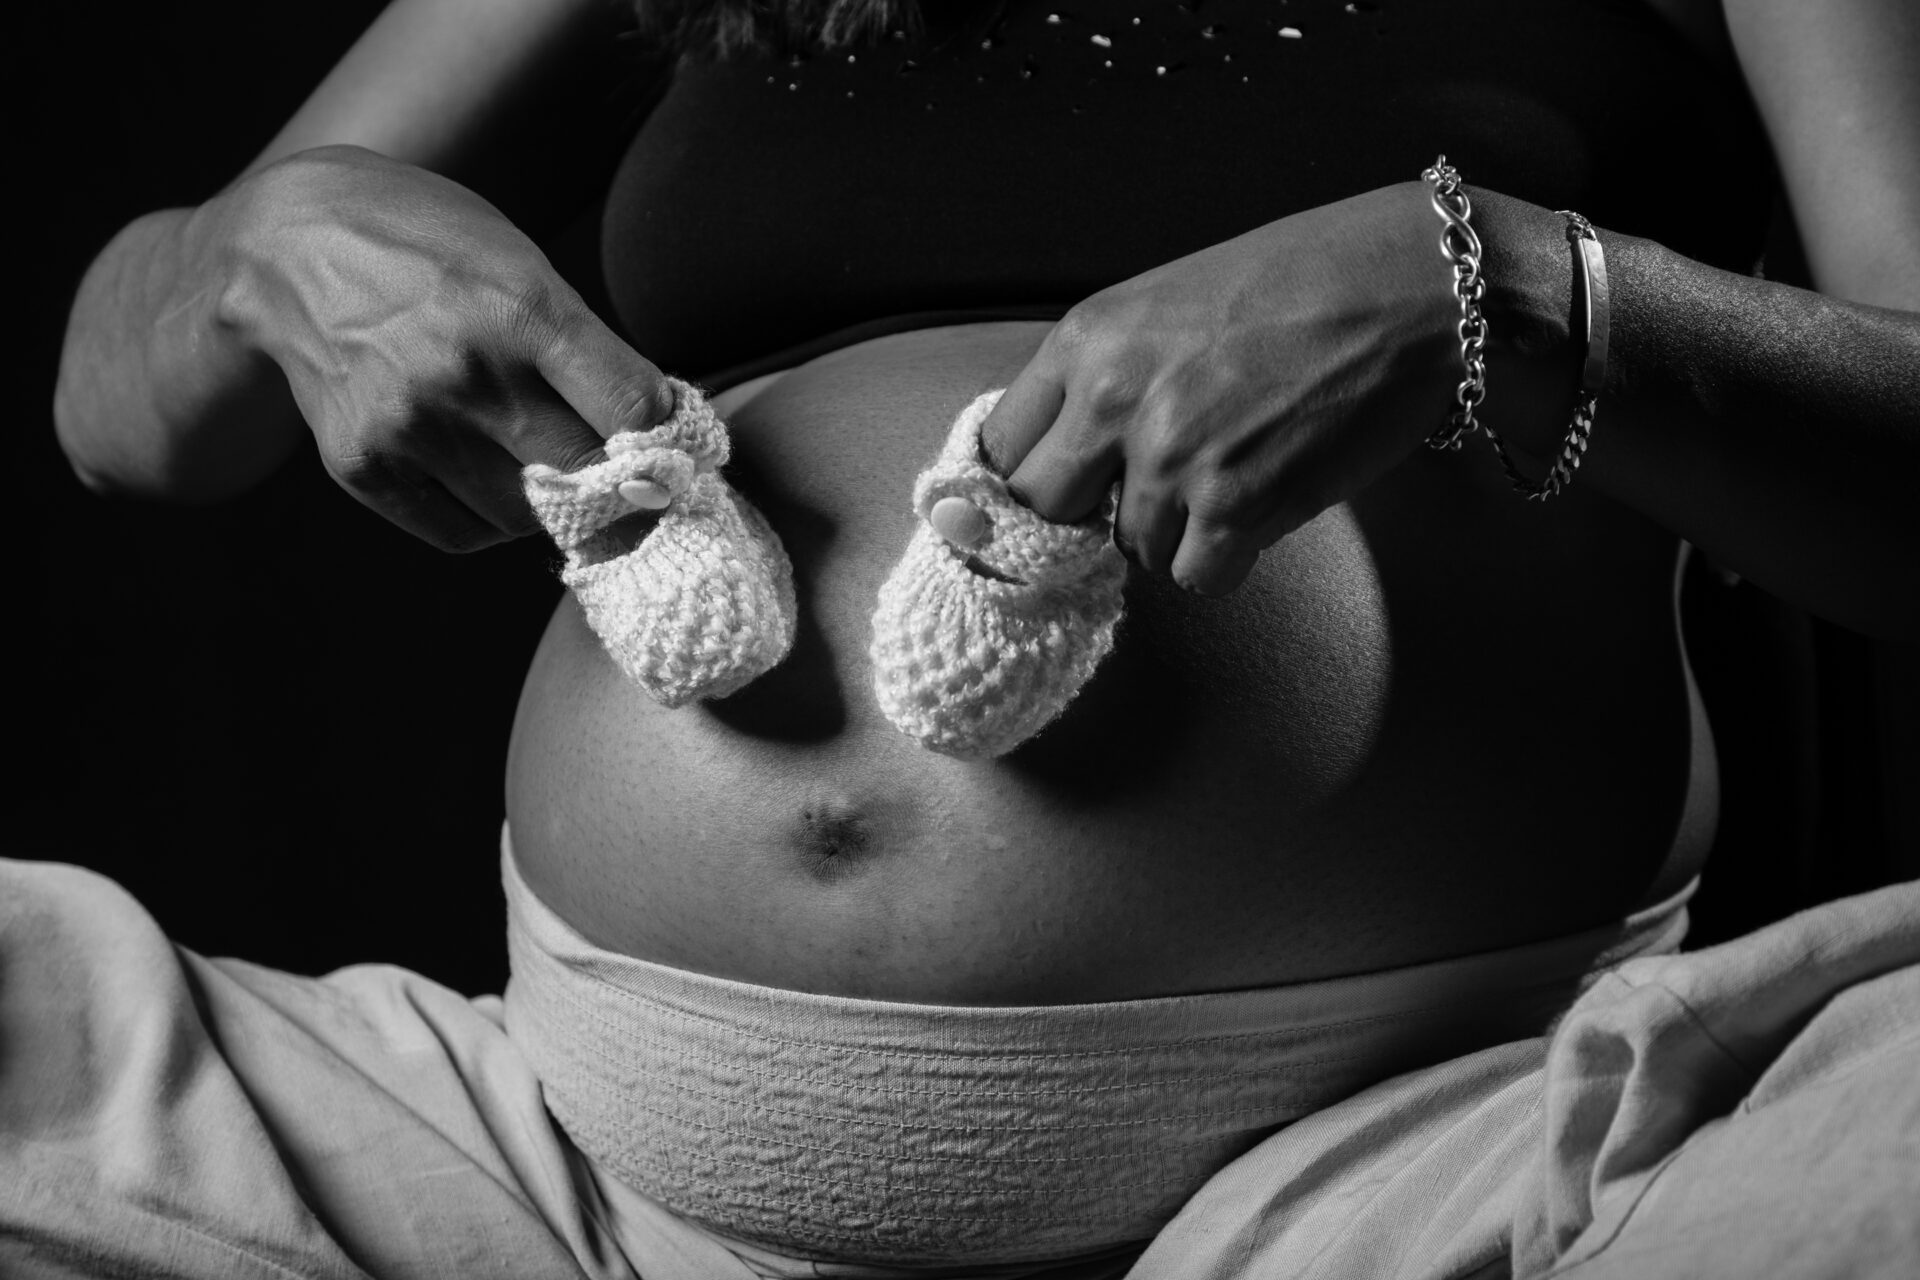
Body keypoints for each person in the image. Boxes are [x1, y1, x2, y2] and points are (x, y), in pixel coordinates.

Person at [12, 0, 1918, 1276]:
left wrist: (1521, 290)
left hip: (1442, 1163)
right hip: (568, 1171)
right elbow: (123, 414)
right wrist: (262, 246)